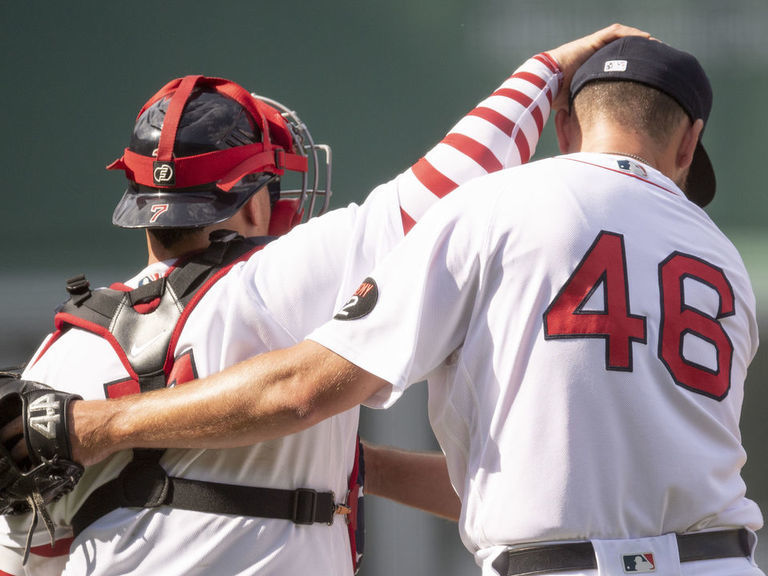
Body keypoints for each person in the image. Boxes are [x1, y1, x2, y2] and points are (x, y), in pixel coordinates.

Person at [56, 36, 764, 576]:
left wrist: (93, 425)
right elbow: (571, 481)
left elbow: (303, 390)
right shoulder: (726, 265)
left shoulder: (497, 206)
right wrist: (352, 464)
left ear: (565, 129)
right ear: (688, 143)